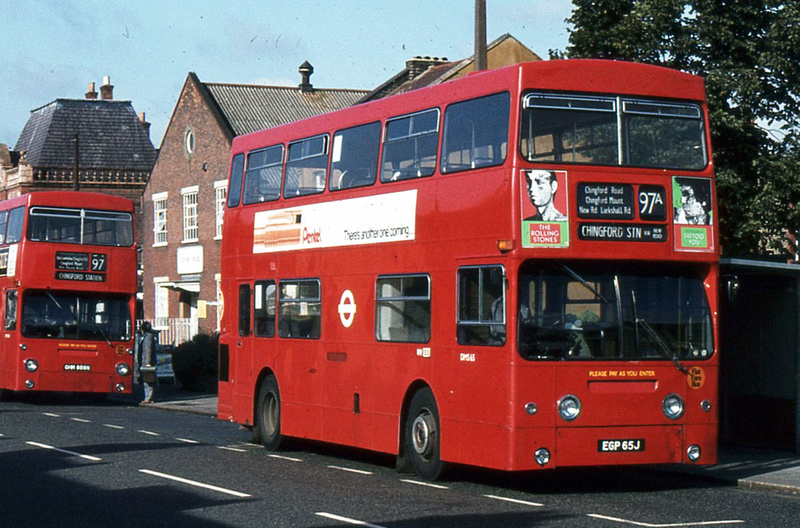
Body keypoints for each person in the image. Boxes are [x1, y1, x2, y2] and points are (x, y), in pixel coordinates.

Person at [138, 321, 157, 404]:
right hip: (146, 361)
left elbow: (147, 350)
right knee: (148, 380)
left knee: (147, 381)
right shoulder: (148, 336)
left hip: (146, 362)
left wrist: (147, 362)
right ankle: (150, 397)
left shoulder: (148, 337)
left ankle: (148, 398)